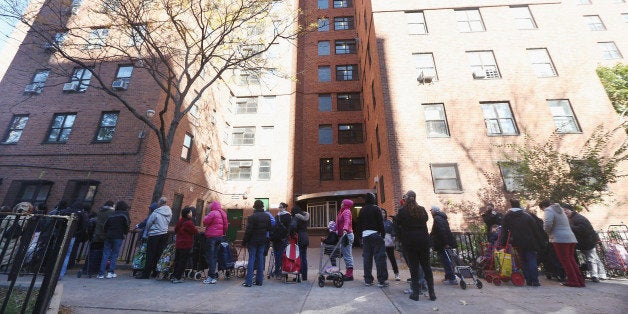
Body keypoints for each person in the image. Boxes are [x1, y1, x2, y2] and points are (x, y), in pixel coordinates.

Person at [396, 191, 436, 301]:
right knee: (426, 266)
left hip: (410, 242)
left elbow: (397, 224)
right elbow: (426, 219)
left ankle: (416, 293)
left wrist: (400, 239)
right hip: (423, 240)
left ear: (407, 199)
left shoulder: (402, 211)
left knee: (414, 268)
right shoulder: (422, 210)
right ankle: (432, 293)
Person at [500, 199, 544, 286]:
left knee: (523, 261)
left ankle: (528, 280)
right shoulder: (527, 216)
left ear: (511, 205)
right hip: (530, 241)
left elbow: (504, 231)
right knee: (531, 260)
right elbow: (536, 230)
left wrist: (503, 243)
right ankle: (535, 281)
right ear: (519, 205)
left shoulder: (507, 217)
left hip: (517, 241)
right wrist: (541, 242)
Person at [542, 201, 585, 287]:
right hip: (570, 237)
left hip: (559, 238)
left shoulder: (548, 210)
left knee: (565, 260)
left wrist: (547, 232)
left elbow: (547, 223)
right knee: (571, 260)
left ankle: (573, 281)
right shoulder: (561, 210)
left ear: (543, 207)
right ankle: (580, 280)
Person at [563, 204, 607, 282]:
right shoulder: (571, 218)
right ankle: (601, 274)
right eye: (563, 210)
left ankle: (595, 276)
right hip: (582, 241)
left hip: (587, 241)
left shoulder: (579, 218)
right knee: (593, 257)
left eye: (566, 209)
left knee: (591, 258)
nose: (564, 211)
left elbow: (583, 230)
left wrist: (569, 227)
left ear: (571, 210)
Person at [137, 196, 172, 279]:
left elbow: (149, 223)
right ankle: (155, 272)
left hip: (154, 234)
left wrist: (149, 230)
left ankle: (146, 273)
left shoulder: (156, 212)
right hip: (164, 233)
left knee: (150, 254)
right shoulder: (169, 212)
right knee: (159, 253)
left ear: (160, 202)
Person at [358, 192, 388, 287]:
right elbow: (380, 223)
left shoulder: (362, 210)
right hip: (375, 235)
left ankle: (368, 280)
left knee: (367, 258)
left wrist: (360, 237)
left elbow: (359, 225)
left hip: (365, 236)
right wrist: (382, 235)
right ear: (373, 199)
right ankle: (381, 281)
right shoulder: (376, 209)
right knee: (380, 258)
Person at [242, 200, 271, 287]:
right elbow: (269, 228)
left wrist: (244, 241)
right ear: (262, 206)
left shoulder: (252, 217)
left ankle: (248, 282)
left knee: (251, 259)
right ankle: (259, 281)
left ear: (254, 207)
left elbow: (248, 231)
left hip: (253, 241)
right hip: (262, 240)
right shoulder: (267, 216)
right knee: (260, 259)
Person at [98, 200, 130, 279]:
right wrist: (125, 232)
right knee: (114, 255)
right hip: (118, 236)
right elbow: (127, 225)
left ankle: (101, 273)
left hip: (109, 236)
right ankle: (110, 272)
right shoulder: (125, 215)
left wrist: (106, 232)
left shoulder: (112, 215)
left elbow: (106, 225)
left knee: (105, 255)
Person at [429, 205, 458, 285]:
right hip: (445, 242)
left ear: (434, 211)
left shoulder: (437, 218)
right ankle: (449, 277)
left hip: (442, 244)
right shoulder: (442, 217)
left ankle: (451, 278)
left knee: (446, 260)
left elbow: (442, 231)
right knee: (448, 260)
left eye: (431, 211)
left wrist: (445, 243)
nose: (431, 212)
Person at [202, 201, 228, 284]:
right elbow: (226, 226)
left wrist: (206, 216)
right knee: (214, 256)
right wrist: (222, 233)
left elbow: (205, 222)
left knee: (210, 256)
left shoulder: (212, 213)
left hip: (211, 237)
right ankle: (213, 275)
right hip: (219, 237)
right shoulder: (223, 213)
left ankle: (211, 276)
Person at [1, 202, 33, 267]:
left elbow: (2, 227)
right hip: (16, 239)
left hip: (3, 236)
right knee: (10, 253)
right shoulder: (28, 219)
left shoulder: (9, 216)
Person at [172, 206, 197, 283]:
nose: (191, 213)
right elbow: (195, 231)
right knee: (183, 261)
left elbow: (175, 229)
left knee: (177, 260)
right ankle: (178, 277)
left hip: (179, 243)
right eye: (190, 212)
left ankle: (174, 276)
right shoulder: (189, 223)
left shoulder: (180, 221)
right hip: (186, 244)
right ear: (187, 214)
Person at [271, 202, 292, 278]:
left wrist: (286, 236)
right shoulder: (277, 215)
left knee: (281, 255)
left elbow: (289, 228)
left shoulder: (288, 216)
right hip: (275, 238)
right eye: (279, 207)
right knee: (276, 255)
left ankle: (280, 270)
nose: (279, 208)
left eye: (281, 207)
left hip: (282, 238)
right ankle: (277, 270)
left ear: (285, 208)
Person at [336, 199, 354, 281]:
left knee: (347, 255)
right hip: (344, 235)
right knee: (347, 254)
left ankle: (349, 275)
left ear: (346, 204)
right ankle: (348, 273)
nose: (341, 204)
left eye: (342, 203)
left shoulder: (346, 211)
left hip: (346, 235)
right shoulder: (342, 211)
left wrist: (345, 230)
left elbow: (347, 221)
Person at [291, 205, 310, 281]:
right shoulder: (305, 216)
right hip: (305, 237)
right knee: (304, 258)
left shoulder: (296, 217)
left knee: (299, 258)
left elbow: (293, 226)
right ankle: (304, 276)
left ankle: (298, 276)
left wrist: (292, 233)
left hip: (300, 238)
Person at [382, 209, 400, 281]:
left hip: (389, 243)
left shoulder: (389, 222)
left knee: (392, 259)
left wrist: (393, 237)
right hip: (381, 244)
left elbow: (393, 231)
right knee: (382, 260)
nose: (382, 214)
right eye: (381, 213)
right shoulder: (377, 222)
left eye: (384, 213)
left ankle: (396, 274)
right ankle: (384, 275)